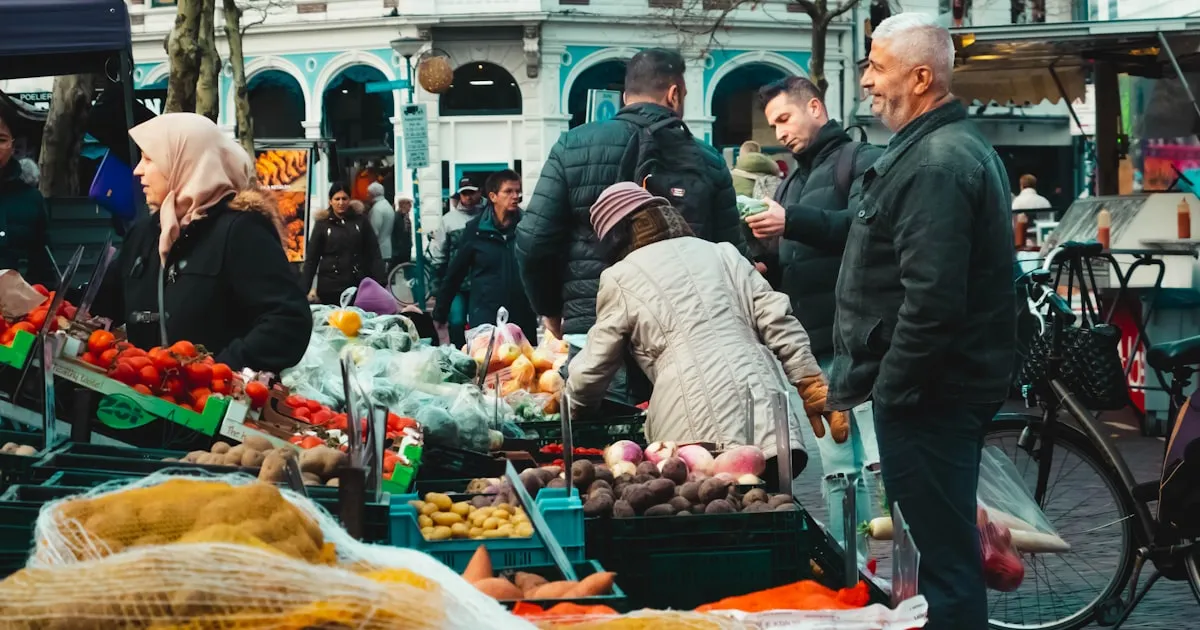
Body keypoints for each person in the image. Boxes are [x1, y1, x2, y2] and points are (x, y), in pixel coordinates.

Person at [831, 14, 1015, 629]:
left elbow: (932, 301)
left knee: (947, 564)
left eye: (877, 67)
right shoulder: (939, 151)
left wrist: (893, 389)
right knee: (946, 555)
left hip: (931, 394)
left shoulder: (936, 161)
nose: (866, 81)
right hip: (935, 389)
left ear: (920, 77)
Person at [565, 182, 848, 487]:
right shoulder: (724, 253)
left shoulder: (620, 277)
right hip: (763, 406)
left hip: (692, 430)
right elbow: (779, 319)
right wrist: (810, 381)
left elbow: (595, 365)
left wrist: (575, 406)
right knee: (772, 504)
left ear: (613, 238)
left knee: (711, 506)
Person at [517, 47, 747, 402]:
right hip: (682, 337)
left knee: (595, 433)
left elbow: (533, 240)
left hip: (593, 329)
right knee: (679, 435)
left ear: (625, 97)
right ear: (674, 94)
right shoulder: (708, 160)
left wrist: (550, 309)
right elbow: (731, 255)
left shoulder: (573, 144)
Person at [745, 75, 885, 554]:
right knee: (838, 467)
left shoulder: (860, 160)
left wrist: (791, 222)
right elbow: (794, 258)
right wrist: (762, 260)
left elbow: (867, 230)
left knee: (879, 462)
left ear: (815, 108)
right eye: (773, 125)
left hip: (862, 345)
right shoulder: (790, 182)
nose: (780, 132)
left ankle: (908, 568)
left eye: (785, 118)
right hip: (816, 352)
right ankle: (854, 565)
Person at [92, 113, 311, 373]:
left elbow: (287, 320)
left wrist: (221, 369)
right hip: (146, 393)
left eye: (149, 159)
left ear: (185, 163)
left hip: (215, 395)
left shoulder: (241, 230)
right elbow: (101, 306)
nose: (138, 170)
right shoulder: (143, 234)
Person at [432, 170, 537, 340]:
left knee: (524, 358)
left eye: (517, 191)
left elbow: (544, 268)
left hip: (522, 317)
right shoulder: (475, 230)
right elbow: (455, 273)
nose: (515, 196)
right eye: (508, 191)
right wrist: (440, 313)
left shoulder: (528, 227)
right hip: (486, 317)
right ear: (493, 196)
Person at [302, 182, 386, 306]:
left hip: (357, 284)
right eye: (337, 199)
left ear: (349, 200)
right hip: (330, 287)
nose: (341, 203)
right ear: (330, 201)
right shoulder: (322, 224)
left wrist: (380, 281)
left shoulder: (360, 221)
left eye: (344, 198)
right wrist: (303, 289)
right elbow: (312, 259)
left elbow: (373, 252)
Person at [0, 107, 54, 285]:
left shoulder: (32, 199)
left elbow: (43, 266)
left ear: (12, 146)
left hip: (21, 300)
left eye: (1, 140)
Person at [430, 176, 485, 346]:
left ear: (480, 193)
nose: (468, 197)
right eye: (464, 193)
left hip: (481, 280)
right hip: (457, 283)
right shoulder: (448, 220)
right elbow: (439, 253)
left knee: (481, 324)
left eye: (471, 193)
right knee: (456, 321)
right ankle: (459, 352)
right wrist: (437, 283)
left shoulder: (488, 217)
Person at [367, 182, 395, 266]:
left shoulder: (377, 209)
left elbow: (373, 232)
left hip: (379, 251)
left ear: (372, 194)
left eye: (368, 193)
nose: (367, 196)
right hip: (387, 249)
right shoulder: (387, 205)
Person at [391, 197, 413, 266]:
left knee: (406, 266)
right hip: (398, 250)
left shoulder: (406, 217)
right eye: (409, 205)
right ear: (403, 206)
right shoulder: (396, 217)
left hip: (406, 249)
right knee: (395, 267)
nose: (410, 208)